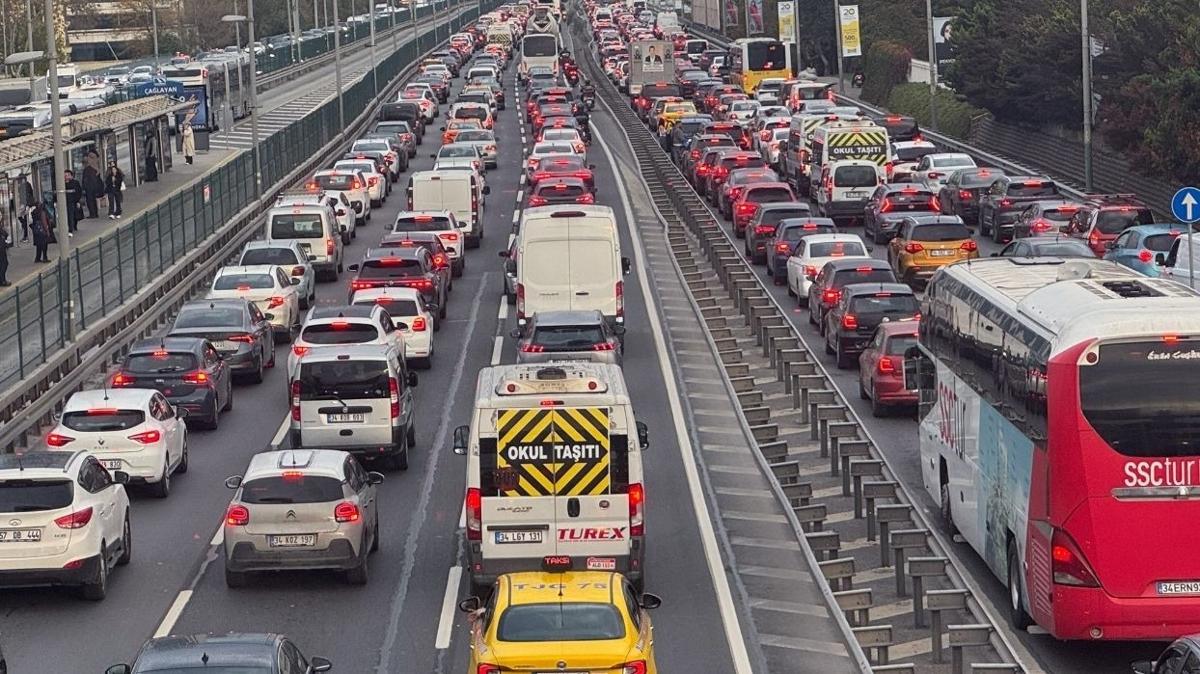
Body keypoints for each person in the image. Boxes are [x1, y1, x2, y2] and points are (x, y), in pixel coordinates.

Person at [82, 151, 104, 219]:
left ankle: (93, 214)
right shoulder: (95, 168)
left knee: (90, 201)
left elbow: (86, 180)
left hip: (89, 188)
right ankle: (95, 213)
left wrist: (84, 188)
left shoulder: (88, 169)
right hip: (93, 187)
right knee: (93, 201)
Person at [63, 170, 83, 236]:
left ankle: (72, 227)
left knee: (72, 215)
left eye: (67, 175)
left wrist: (77, 201)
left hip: (73, 201)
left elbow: (79, 192)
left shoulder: (75, 182)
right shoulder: (62, 183)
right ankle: (70, 228)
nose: (66, 177)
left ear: (71, 175)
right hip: (64, 202)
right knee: (69, 216)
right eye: (65, 175)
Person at [17, 174, 33, 242]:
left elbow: (29, 195)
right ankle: (26, 228)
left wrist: (27, 205)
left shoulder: (26, 185)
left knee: (24, 219)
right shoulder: (23, 185)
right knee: (20, 217)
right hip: (24, 204)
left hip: (25, 204)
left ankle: (26, 236)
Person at [0, 220, 10, 286]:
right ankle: (2, 280)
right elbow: (5, 233)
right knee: (4, 263)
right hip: (1, 247)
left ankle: (2, 280)